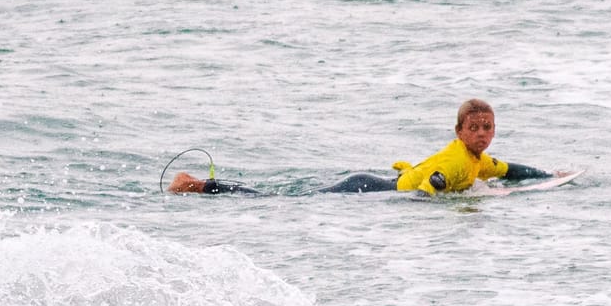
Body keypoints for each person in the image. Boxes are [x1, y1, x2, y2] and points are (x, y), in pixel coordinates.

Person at [166, 99, 557, 196]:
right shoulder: (457, 161)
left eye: (488, 128)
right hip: (366, 188)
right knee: (276, 199)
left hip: (380, 182)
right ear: (459, 132)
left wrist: (549, 176)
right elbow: (426, 193)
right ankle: (197, 185)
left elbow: (510, 170)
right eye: (474, 128)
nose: (482, 134)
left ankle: (200, 186)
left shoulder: (479, 159)